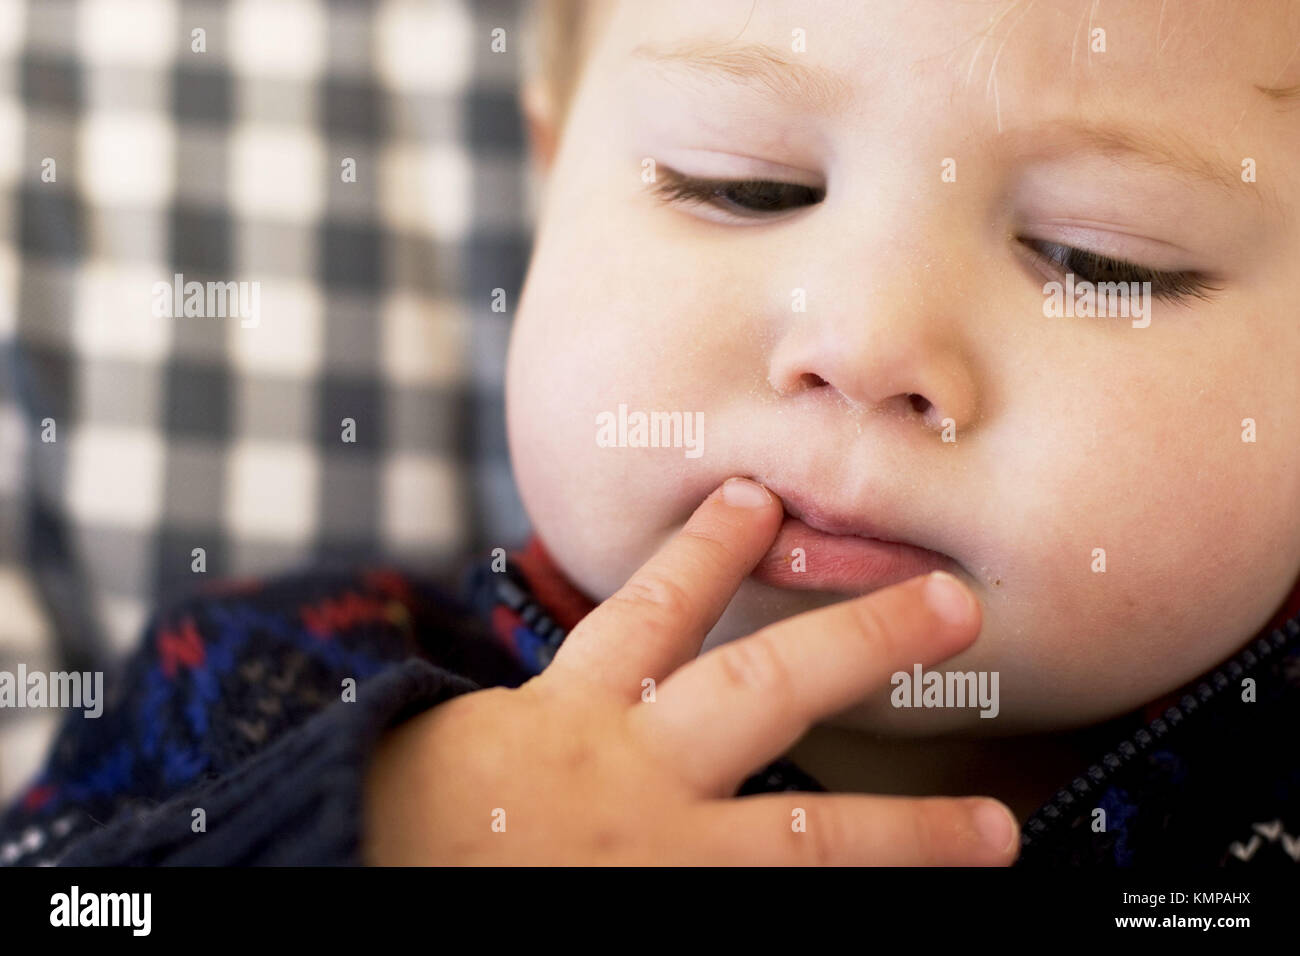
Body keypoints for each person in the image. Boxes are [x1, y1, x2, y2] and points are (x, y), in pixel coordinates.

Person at [4, 0, 1300, 866]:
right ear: (555, 180)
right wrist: (375, 836)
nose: (859, 348)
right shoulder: (267, 692)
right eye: (743, 186)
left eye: (1101, 257)